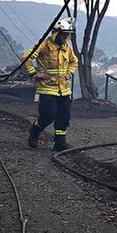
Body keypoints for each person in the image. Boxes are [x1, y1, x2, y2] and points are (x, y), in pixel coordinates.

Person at [25, 19, 79, 151]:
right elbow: (26, 57)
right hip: (48, 89)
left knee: (64, 117)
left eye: (68, 35)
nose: (66, 37)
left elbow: (74, 61)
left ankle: (59, 144)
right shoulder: (44, 45)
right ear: (56, 33)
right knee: (48, 115)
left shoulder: (67, 48)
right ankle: (35, 131)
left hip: (64, 90)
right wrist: (34, 73)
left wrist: (70, 73)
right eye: (64, 34)